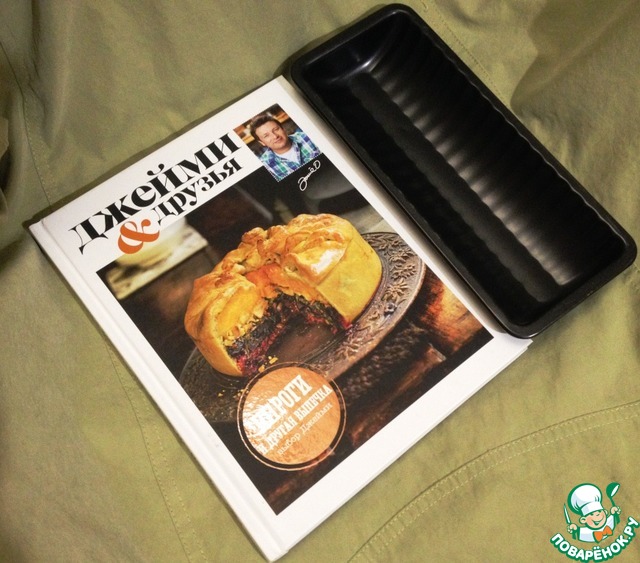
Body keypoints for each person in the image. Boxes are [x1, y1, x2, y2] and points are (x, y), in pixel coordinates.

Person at [249, 114, 321, 181]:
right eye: (266, 136)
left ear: (283, 129)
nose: (275, 136)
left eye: (276, 129)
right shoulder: (265, 166)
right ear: (262, 142)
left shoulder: (308, 137)